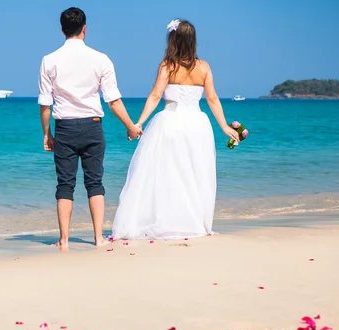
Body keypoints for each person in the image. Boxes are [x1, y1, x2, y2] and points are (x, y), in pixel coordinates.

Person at [111, 19, 240, 240]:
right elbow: (212, 99)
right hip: (198, 127)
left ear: (173, 40)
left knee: (169, 175)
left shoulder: (167, 66)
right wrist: (224, 126)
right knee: (195, 174)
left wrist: (139, 123)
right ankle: (193, 222)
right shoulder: (204, 67)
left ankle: (169, 220)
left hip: (170, 124)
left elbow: (155, 96)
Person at [38, 7, 142, 250]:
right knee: (95, 182)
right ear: (84, 29)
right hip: (93, 127)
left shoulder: (49, 60)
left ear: (62, 30)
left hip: (64, 128)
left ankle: (64, 241)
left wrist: (47, 133)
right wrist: (130, 126)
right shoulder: (101, 59)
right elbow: (113, 100)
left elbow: (45, 104)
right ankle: (98, 239)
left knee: (65, 184)